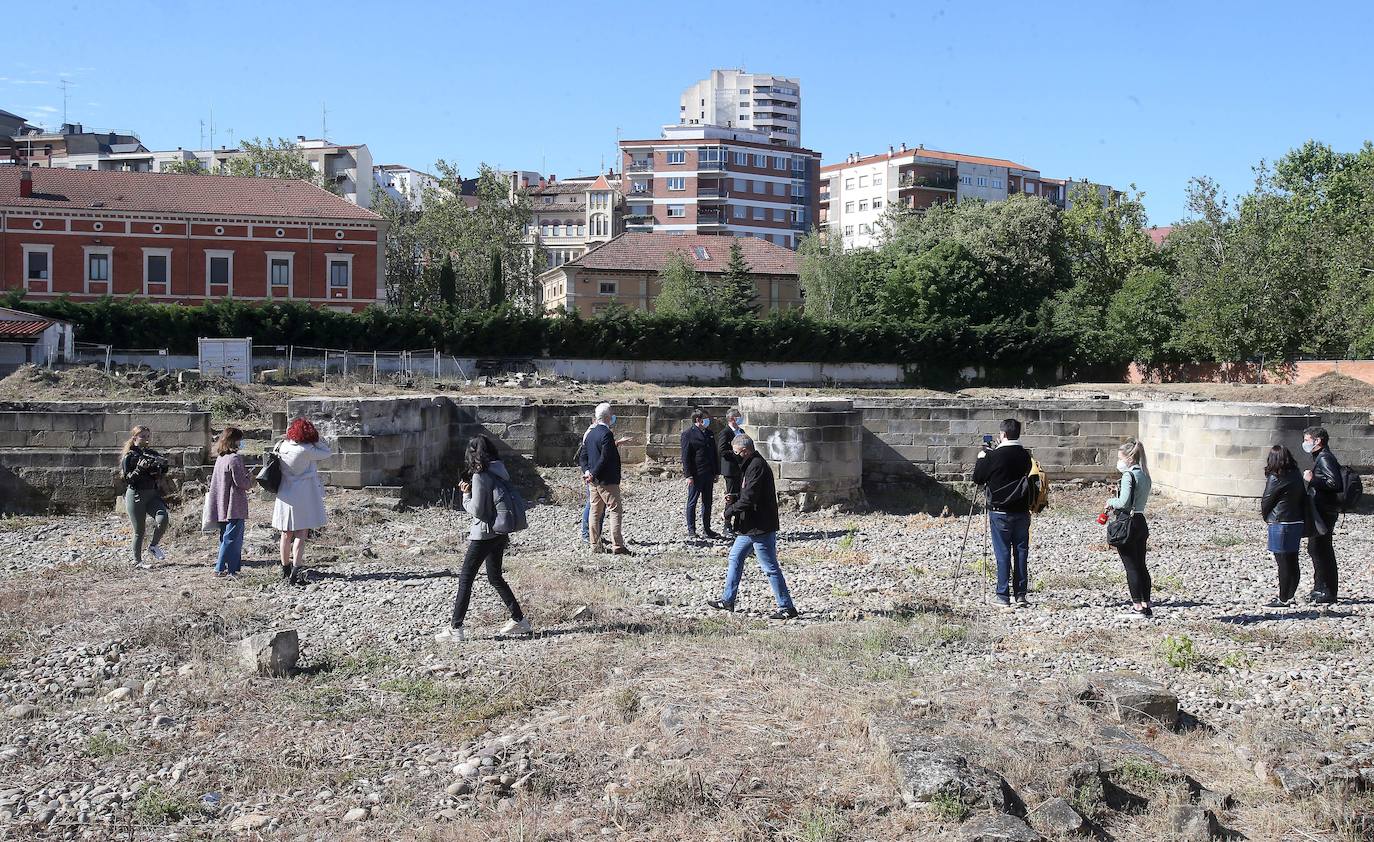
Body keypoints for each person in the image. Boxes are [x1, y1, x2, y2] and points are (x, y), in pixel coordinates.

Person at [436, 435, 531, 643]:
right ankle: (519, 620)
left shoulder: (480, 476)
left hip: (483, 534)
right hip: (499, 532)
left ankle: (456, 628)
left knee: (466, 579)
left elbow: (478, 511)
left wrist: (466, 496)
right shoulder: (500, 471)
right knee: (495, 577)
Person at [709, 435, 798, 620]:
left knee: (770, 567)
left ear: (745, 451)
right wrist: (734, 495)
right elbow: (747, 492)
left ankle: (787, 607)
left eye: (736, 453)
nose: (735, 456)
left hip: (760, 526)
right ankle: (728, 600)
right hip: (749, 527)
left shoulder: (757, 466)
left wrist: (728, 512)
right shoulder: (749, 465)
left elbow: (750, 498)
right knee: (735, 557)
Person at [972, 418, 1033, 608]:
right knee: (1021, 552)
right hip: (1022, 510)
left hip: (1000, 511)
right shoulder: (1026, 455)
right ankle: (1021, 594)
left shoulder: (992, 456)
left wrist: (983, 457)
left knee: (1003, 553)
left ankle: (1002, 595)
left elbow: (978, 479)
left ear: (1003, 434)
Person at [272, 417, 332, 584]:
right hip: (304, 492)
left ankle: (285, 569)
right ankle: (296, 572)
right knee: (301, 533)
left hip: (284, 491)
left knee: (285, 533)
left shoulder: (281, 446)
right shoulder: (306, 449)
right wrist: (316, 439)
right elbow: (327, 452)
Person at [1104, 439, 1154, 617]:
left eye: (1121, 458)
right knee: (1141, 565)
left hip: (1128, 523)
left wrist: (1110, 501)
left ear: (1129, 458)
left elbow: (1124, 502)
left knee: (1131, 567)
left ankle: (1137, 606)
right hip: (1141, 520)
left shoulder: (1128, 475)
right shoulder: (1145, 474)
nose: (1119, 462)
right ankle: (1147, 604)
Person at [1261, 445, 1306, 608]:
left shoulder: (1275, 477)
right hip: (1296, 521)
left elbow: (1267, 499)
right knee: (1293, 559)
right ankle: (1290, 595)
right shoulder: (1296, 474)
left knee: (1282, 562)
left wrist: (1266, 516)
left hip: (1280, 522)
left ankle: (1283, 598)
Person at [584, 402, 631, 555]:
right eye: (611, 413)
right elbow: (605, 457)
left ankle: (594, 545)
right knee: (615, 510)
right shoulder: (606, 434)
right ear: (607, 416)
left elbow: (583, 456)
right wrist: (594, 473)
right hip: (607, 480)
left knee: (595, 512)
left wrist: (588, 472)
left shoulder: (591, 433)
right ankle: (617, 546)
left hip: (593, 481)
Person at [1303, 426, 1342, 605]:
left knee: (1320, 549)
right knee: (1317, 548)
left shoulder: (1325, 457)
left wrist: (1313, 479)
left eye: (1307, 439)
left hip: (1324, 511)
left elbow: (1335, 483)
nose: (1305, 443)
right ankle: (1321, 587)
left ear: (1317, 441)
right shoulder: (1321, 456)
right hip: (1322, 509)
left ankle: (1326, 590)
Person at [120, 425, 170, 567]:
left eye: (148, 436)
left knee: (163, 518)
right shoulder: (129, 456)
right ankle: (137, 561)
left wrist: (161, 466)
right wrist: (140, 469)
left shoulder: (152, 453)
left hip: (152, 494)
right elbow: (128, 479)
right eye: (143, 436)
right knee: (139, 531)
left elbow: (162, 472)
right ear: (135, 437)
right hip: (135, 495)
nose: (146, 440)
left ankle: (153, 546)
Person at [209, 426, 252, 577]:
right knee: (232, 538)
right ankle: (219, 568)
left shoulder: (221, 458)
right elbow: (242, 483)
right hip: (234, 504)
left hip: (222, 502)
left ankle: (233, 569)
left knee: (226, 537)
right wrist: (249, 477)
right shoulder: (234, 459)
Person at [681, 409, 722, 539]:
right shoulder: (688, 434)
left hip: (709, 473)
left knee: (707, 502)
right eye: (705, 418)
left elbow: (714, 454)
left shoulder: (709, 433)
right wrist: (688, 475)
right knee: (692, 502)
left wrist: (716, 471)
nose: (707, 420)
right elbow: (686, 456)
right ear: (698, 420)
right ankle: (691, 529)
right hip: (696, 474)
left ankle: (707, 528)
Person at [718, 407, 746, 536]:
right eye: (738, 416)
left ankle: (738, 524)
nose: (740, 419)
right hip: (730, 470)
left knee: (740, 496)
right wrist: (737, 454)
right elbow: (722, 450)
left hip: (741, 470)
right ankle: (727, 525)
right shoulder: (725, 433)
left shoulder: (741, 431)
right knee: (731, 497)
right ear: (732, 418)